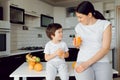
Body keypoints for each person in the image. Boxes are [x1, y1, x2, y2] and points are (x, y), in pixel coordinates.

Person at [73, 1, 112, 80]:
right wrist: (77, 45)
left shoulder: (105, 24)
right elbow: (80, 44)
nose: (78, 20)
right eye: (77, 17)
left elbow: (105, 49)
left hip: (102, 61)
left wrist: (87, 64)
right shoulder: (78, 27)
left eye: (80, 17)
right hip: (82, 60)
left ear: (89, 15)